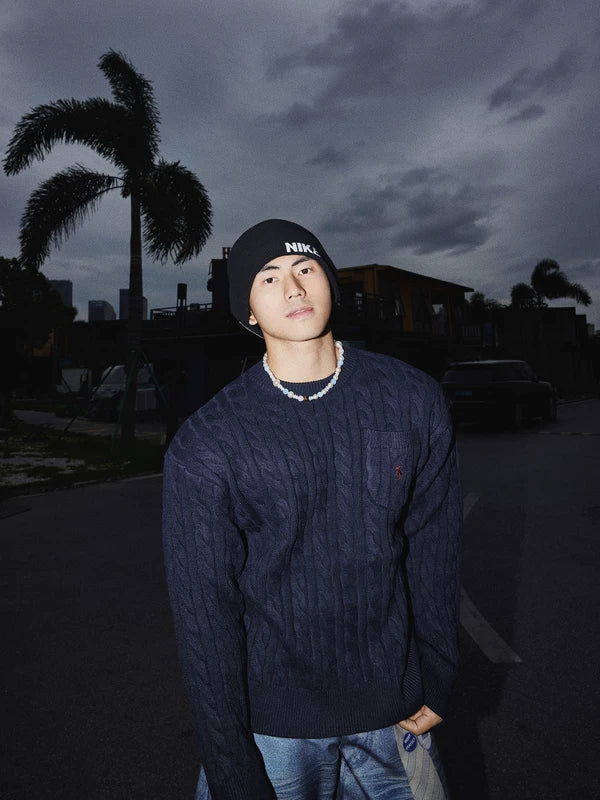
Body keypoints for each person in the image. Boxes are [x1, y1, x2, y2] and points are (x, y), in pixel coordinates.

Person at [162, 219, 462, 800]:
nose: (294, 287)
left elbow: (434, 546)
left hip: (395, 715)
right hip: (272, 728)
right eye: (268, 277)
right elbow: (204, 619)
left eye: (305, 267)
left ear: (330, 281)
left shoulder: (411, 400)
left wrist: (438, 672)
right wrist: (229, 766)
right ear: (248, 310)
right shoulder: (208, 442)